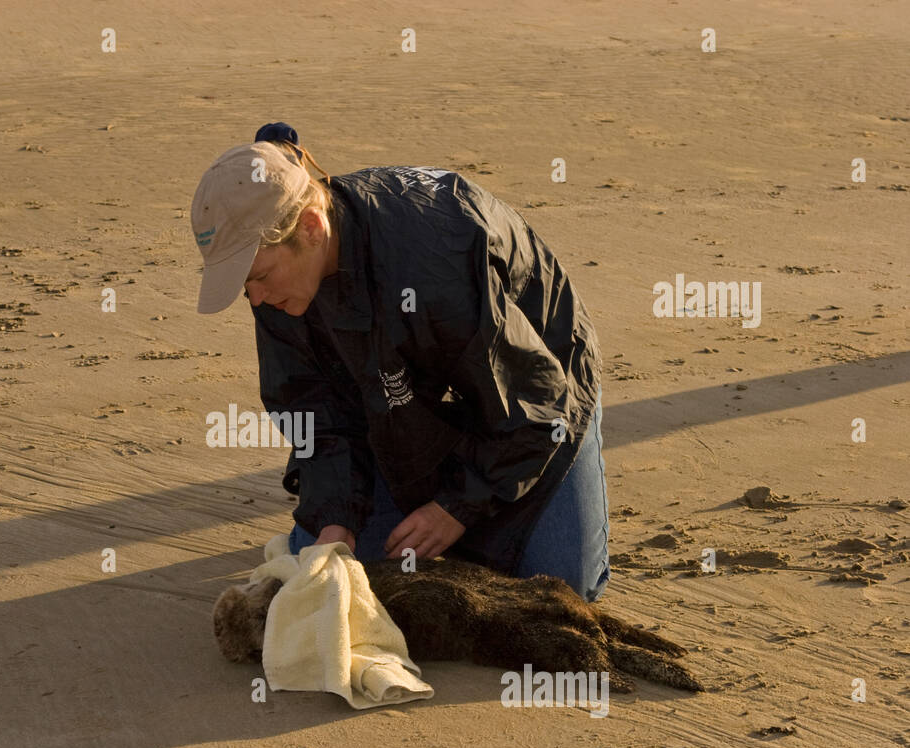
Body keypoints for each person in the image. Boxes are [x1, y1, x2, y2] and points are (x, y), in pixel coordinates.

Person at [191, 123, 610, 602]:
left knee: (560, 587)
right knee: (329, 575)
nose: (256, 298)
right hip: (397, 404)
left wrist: (455, 507)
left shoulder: (437, 259)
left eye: (259, 277)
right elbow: (312, 409)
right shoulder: (275, 289)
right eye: (245, 286)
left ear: (311, 227)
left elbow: (535, 398)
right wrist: (336, 518)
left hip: (532, 396)